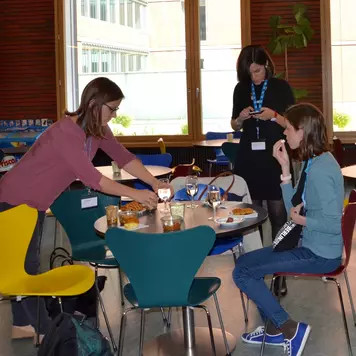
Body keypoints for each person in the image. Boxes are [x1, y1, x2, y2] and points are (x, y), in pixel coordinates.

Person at [0, 77, 172, 342]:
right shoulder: (65, 133)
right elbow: (94, 180)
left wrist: (152, 181)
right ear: (94, 103)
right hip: (15, 199)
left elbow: (124, 157)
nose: (115, 115)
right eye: (111, 108)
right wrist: (134, 193)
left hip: (35, 202)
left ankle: (23, 324)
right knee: (26, 266)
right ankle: (46, 331)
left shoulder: (97, 129)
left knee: (27, 262)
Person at [232, 103, 344, 356]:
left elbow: (333, 223)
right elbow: (292, 206)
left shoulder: (322, 170)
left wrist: (304, 222)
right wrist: (284, 170)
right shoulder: (313, 162)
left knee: (243, 273)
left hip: (320, 255)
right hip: (308, 244)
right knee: (244, 263)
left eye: (289, 129)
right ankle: (273, 330)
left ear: (302, 132)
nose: (285, 134)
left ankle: (288, 328)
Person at [231, 44, 295, 295]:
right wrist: (241, 119)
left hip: (275, 156)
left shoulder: (281, 88)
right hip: (249, 157)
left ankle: (280, 272)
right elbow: (234, 125)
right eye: (249, 73)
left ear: (266, 65)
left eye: (257, 71)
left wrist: (273, 116)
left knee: (278, 215)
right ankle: (256, 270)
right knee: (252, 216)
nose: (254, 77)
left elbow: (293, 123)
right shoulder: (241, 89)